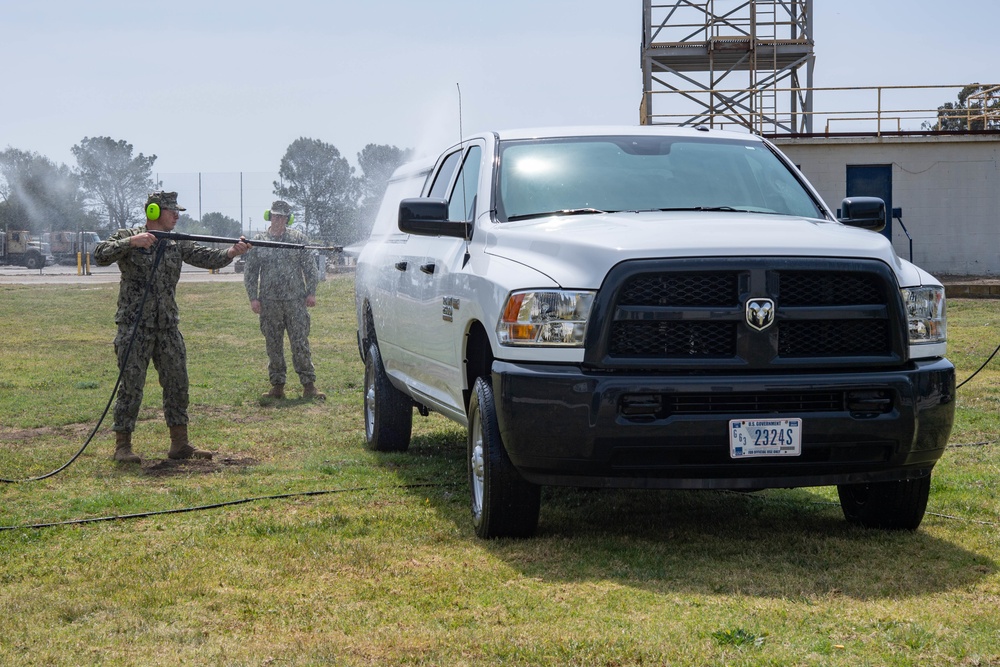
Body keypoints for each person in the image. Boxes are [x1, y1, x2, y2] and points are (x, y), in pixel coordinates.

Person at [94, 191, 251, 464]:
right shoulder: (129, 235)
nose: (177, 215)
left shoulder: (176, 242)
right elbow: (99, 254)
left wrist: (231, 252)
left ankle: (179, 444)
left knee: (178, 383)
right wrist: (132, 242)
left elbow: (205, 257)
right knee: (131, 385)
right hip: (135, 327)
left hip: (167, 326)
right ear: (153, 212)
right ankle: (123, 446)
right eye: (172, 210)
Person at [243, 200, 325, 401]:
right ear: (268, 216)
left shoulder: (297, 240)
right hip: (269, 302)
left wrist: (311, 292)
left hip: (295, 301)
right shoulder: (260, 241)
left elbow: (310, 268)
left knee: (300, 343)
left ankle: (309, 385)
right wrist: (253, 298)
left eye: (282, 216)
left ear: (288, 219)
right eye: (274, 216)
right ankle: (277, 386)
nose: (277, 219)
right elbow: (251, 272)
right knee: (273, 345)